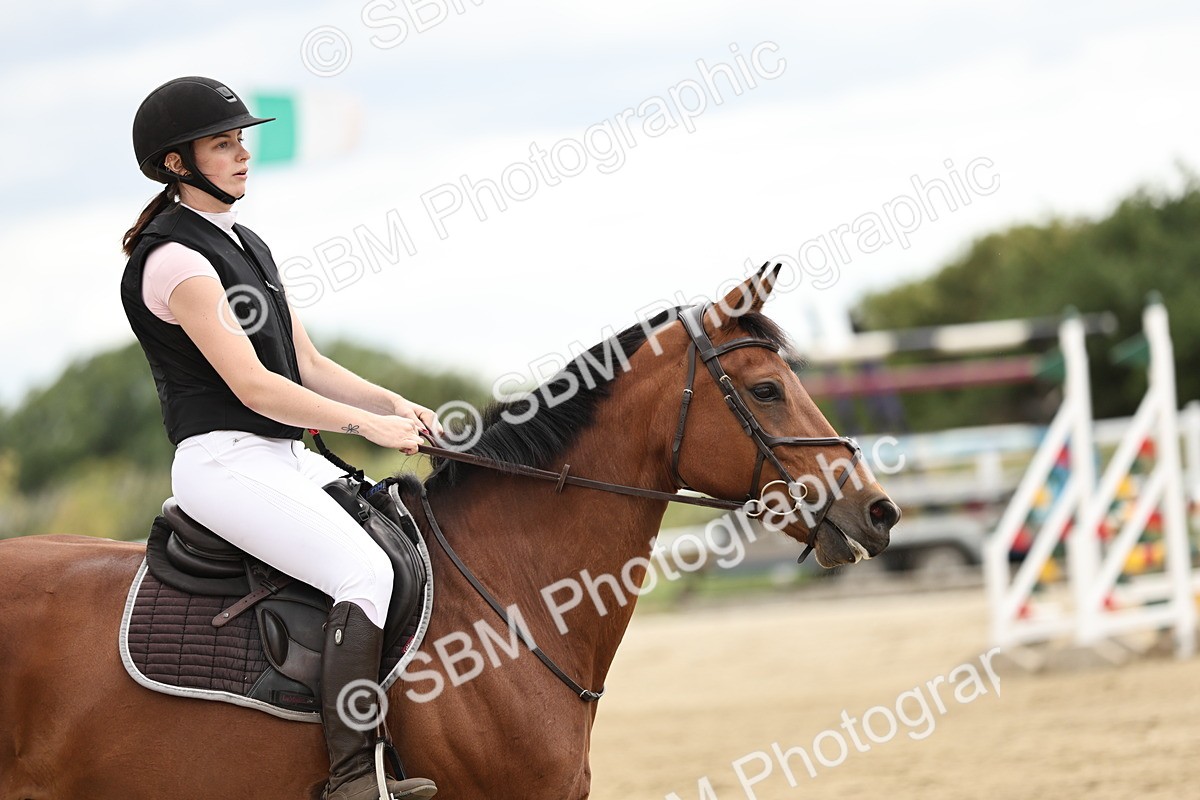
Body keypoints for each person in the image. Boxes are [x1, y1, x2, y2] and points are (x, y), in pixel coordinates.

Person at [120, 76, 439, 800]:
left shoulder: (248, 244)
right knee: (364, 572)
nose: (242, 156)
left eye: (242, 142)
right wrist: (368, 426)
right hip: (222, 463)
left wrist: (397, 402)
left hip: (281, 457)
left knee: (408, 537)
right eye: (223, 144)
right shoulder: (175, 261)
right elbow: (254, 387)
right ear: (177, 163)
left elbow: (310, 365)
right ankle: (353, 777)